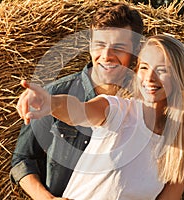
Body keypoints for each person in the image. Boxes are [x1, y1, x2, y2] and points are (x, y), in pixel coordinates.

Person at [16, 35, 184, 199]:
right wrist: (51, 102)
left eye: (162, 70)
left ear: (179, 78)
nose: (150, 77)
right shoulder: (119, 111)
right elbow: (79, 111)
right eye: (144, 67)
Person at [10, 2, 144, 199]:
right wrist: (46, 198)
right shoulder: (53, 94)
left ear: (135, 50)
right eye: (99, 45)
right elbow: (23, 159)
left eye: (119, 47)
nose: (106, 56)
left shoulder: (146, 101)